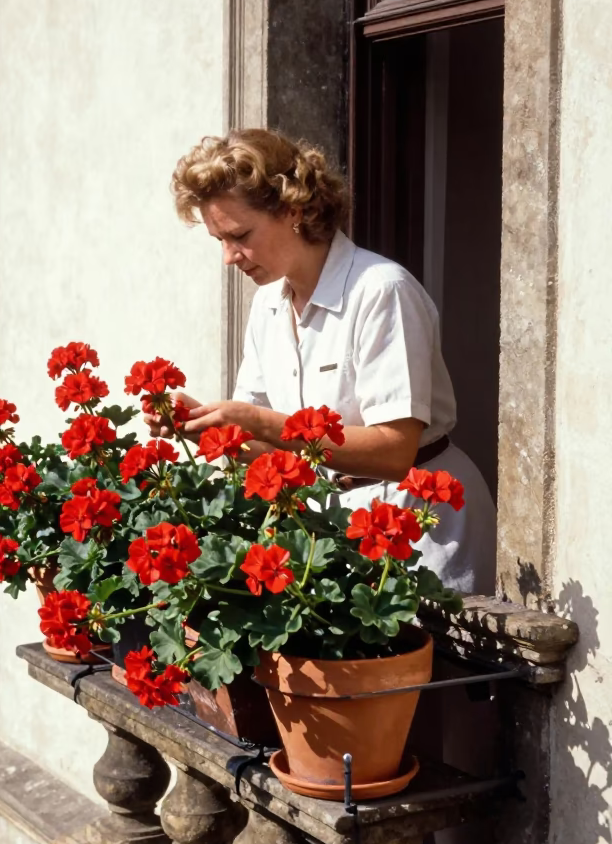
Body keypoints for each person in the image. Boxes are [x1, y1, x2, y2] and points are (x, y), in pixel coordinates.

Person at [157, 127, 496, 596]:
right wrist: (209, 429)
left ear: (293, 210)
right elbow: (274, 451)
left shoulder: (380, 290)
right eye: (219, 240)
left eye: (239, 236)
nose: (229, 257)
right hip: (334, 527)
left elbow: (395, 451)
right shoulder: (269, 303)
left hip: (420, 521)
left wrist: (255, 419)